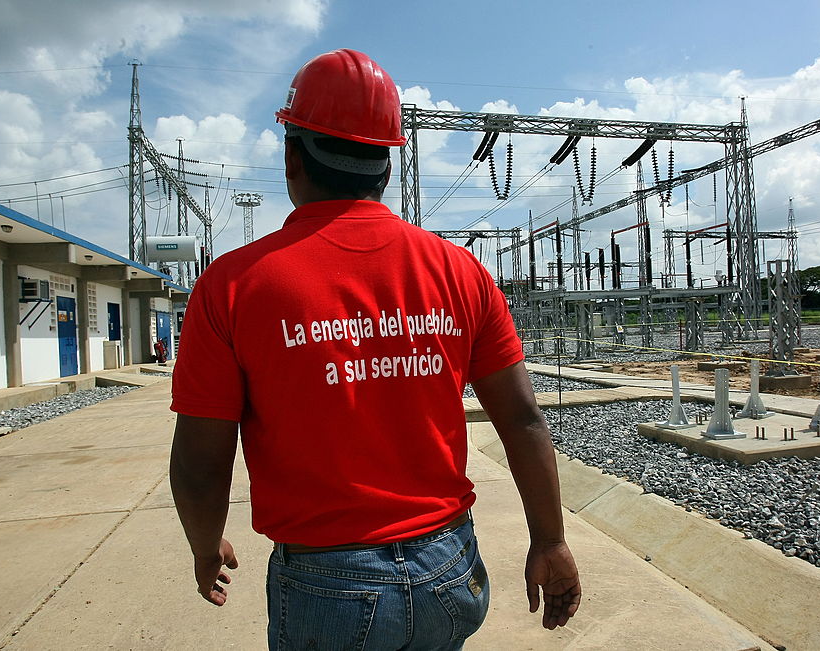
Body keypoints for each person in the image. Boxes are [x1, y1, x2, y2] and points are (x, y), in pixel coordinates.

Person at [169, 48, 580, 650]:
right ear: (386, 165)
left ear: (292, 158)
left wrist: (205, 545)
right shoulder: (460, 272)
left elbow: (202, 462)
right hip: (450, 569)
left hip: (324, 584)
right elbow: (521, 418)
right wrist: (550, 539)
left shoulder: (233, 286)